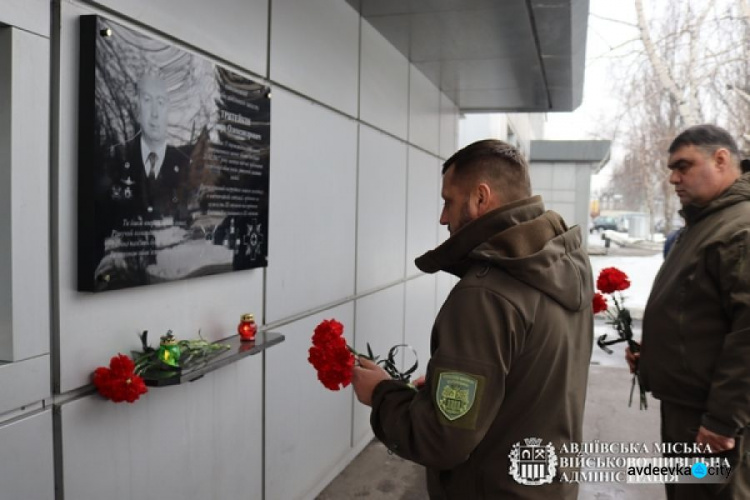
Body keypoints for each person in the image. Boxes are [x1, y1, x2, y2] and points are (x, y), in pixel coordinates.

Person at [352, 139, 594, 499]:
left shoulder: (486, 294)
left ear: (481, 198)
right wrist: (442, 387)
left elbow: (442, 440)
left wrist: (383, 395)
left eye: (448, 201)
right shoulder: (565, 265)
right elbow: (528, 380)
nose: (443, 217)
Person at [627, 124, 750, 499]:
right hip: (690, 412)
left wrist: (722, 422)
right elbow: (696, 310)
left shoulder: (739, 229)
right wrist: (656, 354)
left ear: (721, 159)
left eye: (683, 166)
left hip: (712, 423)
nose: (673, 178)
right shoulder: (705, 223)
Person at [94, 70, 191, 289]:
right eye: (147, 100)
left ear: (168, 109)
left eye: (161, 102)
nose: (155, 113)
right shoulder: (117, 159)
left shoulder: (183, 161)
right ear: (137, 108)